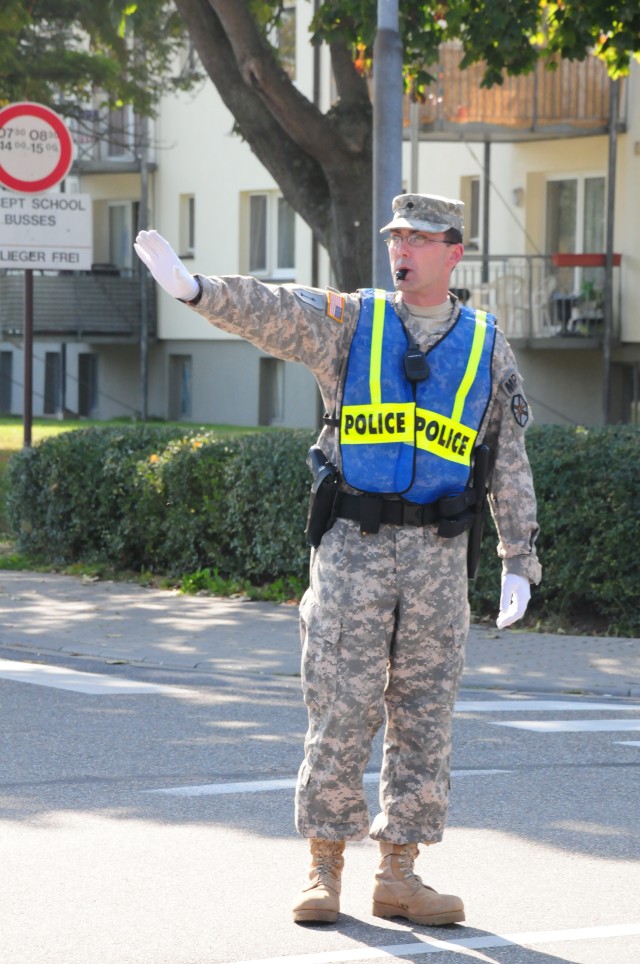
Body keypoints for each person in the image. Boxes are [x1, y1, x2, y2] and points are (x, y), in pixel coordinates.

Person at [134, 193, 541, 928]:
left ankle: (402, 874)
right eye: (396, 236)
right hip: (355, 546)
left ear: (454, 251)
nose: (402, 247)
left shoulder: (485, 344)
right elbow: (276, 309)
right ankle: (323, 867)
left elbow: (507, 458)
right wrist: (197, 292)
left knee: (425, 716)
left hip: (440, 556)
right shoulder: (356, 321)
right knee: (340, 707)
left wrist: (520, 556)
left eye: (420, 237)